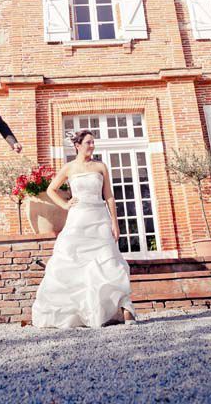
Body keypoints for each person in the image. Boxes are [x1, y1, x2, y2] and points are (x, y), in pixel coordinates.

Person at [31, 129, 137, 328]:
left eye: (93, 142)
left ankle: (125, 308)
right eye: (88, 142)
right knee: (72, 260)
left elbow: (109, 196)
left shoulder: (100, 167)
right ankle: (79, 313)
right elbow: (50, 189)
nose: (92, 145)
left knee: (110, 261)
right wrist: (65, 205)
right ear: (78, 146)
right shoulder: (69, 168)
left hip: (100, 219)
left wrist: (115, 222)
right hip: (78, 219)